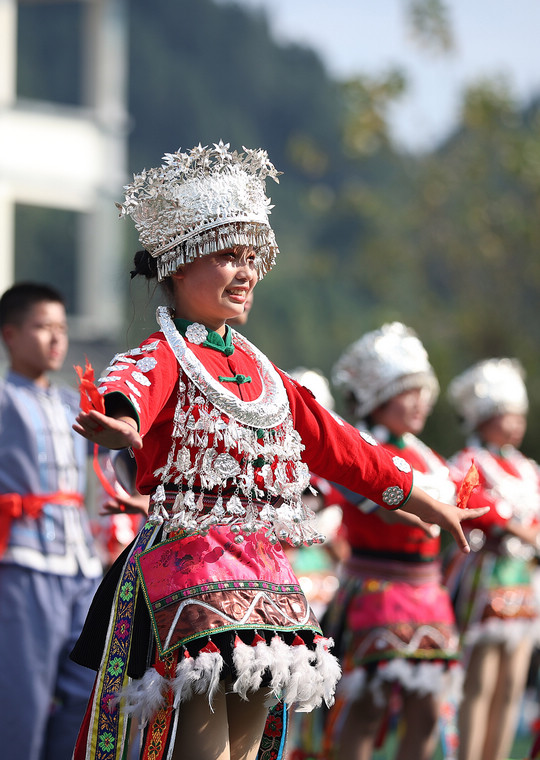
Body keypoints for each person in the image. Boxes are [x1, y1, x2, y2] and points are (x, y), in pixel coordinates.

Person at [69, 142, 488, 760]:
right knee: (207, 738)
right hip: (193, 562)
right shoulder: (165, 355)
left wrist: (426, 501)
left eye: (250, 260)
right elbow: (127, 387)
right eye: (225, 257)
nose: (245, 273)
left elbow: (345, 449)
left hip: (262, 566)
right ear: (179, 268)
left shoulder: (270, 376)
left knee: (246, 740)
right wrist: (120, 421)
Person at [313, 323, 464, 760]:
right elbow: (381, 505)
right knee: (365, 706)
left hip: (430, 594)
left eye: (423, 391)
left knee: (427, 712)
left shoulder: (431, 458)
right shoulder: (361, 451)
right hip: (377, 592)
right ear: (378, 398)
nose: (421, 402)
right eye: (407, 391)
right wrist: (435, 516)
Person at [0, 282, 102, 760]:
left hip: (81, 567)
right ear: (11, 336)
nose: (56, 339)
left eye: (61, 328)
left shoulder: (73, 404)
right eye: (42, 328)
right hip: (25, 564)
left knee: (92, 689)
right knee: (23, 700)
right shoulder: (2, 400)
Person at [446, 358, 540, 760]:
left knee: (512, 684)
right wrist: (514, 527)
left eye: (519, 415)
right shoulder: (469, 460)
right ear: (483, 418)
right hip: (486, 578)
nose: (516, 423)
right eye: (506, 415)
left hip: (523, 578)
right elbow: (469, 500)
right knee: (480, 682)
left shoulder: (525, 467)